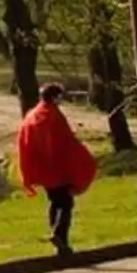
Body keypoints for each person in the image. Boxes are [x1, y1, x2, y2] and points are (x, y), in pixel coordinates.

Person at [13, 82, 99, 256]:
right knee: (66, 203)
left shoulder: (32, 115)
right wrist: (81, 159)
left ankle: (58, 242)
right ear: (54, 97)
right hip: (57, 168)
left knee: (54, 201)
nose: (61, 100)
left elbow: (24, 141)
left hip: (42, 169)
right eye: (60, 96)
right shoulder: (53, 116)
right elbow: (65, 142)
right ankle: (59, 235)